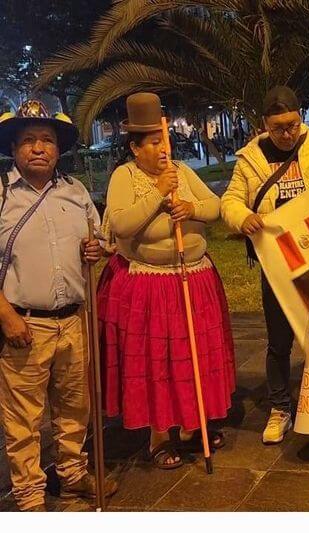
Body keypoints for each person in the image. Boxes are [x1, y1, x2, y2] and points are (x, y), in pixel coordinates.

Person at [99, 92, 236, 469]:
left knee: (191, 356)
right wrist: (158, 195)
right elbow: (122, 224)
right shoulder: (124, 177)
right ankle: (160, 434)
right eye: (154, 142)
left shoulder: (182, 171)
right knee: (159, 360)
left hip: (193, 277)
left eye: (164, 140)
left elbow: (217, 206)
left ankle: (194, 426)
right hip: (151, 283)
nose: (163, 149)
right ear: (135, 147)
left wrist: (191, 207)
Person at [0, 100, 117, 511]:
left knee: (74, 408)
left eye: (46, 140)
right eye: (28, 140)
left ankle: (71, 475)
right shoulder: (1, 195)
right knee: (23, 419)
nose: (37, 148)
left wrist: (94, 248)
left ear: (57, 149)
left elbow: (98, 240)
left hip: (73, 321)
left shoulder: (75, 190)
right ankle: (30, 495)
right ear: (14, 148)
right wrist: (7, 316)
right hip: (24, 325)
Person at [221, 85, 309, 445]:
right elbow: (230, 200)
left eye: (293, 125)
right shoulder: (250, 159)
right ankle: (281, 407)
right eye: (278, 128)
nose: (287, 135)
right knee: (279, 341)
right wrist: (242, 217)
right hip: (277, 264)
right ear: (264, 125)